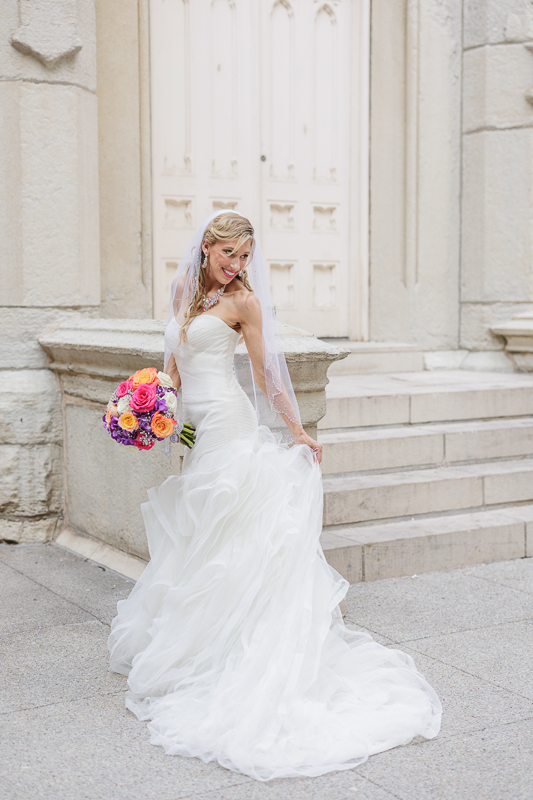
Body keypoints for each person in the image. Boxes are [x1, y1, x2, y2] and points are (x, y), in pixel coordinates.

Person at [108, 211, 442, 782]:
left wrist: (298, 432)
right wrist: (148, 406)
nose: (236, 267)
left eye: (244, 257)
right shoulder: (182, 290)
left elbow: (266, 377)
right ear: (207, 248)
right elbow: (174, 367)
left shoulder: (245, 303)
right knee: (203, 535)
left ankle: (234, 650)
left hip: (233, 429)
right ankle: (206, 644)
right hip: (196, 430)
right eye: (228, 255)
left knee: (233, 533)